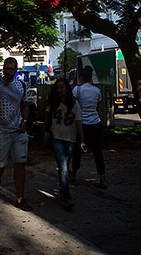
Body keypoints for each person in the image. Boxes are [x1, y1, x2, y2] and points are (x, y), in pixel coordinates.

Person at [0, 57, 32, 211]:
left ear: (16, 70)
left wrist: (24, 120)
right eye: (5, 68)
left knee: (20, 164)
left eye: (11, 69)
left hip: (18, 131)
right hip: (0, 131)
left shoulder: (21, 85)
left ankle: (20, 197)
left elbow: (25, 105)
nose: (8, 71)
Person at [45, 78, 86, 209]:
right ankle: (67, 196)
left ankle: (62, 190)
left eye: (61, 87)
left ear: (67, 88)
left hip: (70, 139)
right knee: (63, 166)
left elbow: (78, 123)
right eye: (57, 88)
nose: (59, 90)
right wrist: (43, 133)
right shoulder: (52, 103)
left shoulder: (74, 104)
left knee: (65, 165)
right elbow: (46, 120)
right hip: (55, 137)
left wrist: (82, 140)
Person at [70, 66, 106, 189]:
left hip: (82, 124)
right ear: (91, 77)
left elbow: (73, 107)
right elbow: (97, 107)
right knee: (97, 151)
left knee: (78, 150)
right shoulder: (96, 91)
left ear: (80, 78)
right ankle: (102, 178)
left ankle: (74, 173)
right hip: (95, 123)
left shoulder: (76, 90)